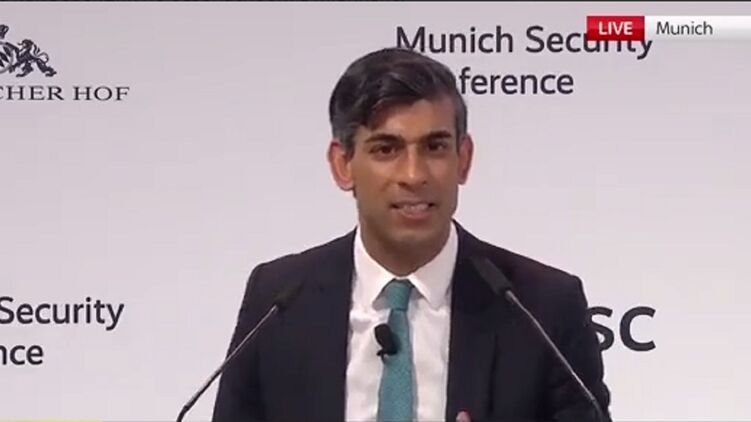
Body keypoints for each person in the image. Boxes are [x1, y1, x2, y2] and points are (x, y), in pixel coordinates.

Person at [212, 47, 611, 422]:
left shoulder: (542, 307)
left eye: (435, 147)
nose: (414, 175)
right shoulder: (279, 300)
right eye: (386, 150)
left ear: (463, 159)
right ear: (343, 165)